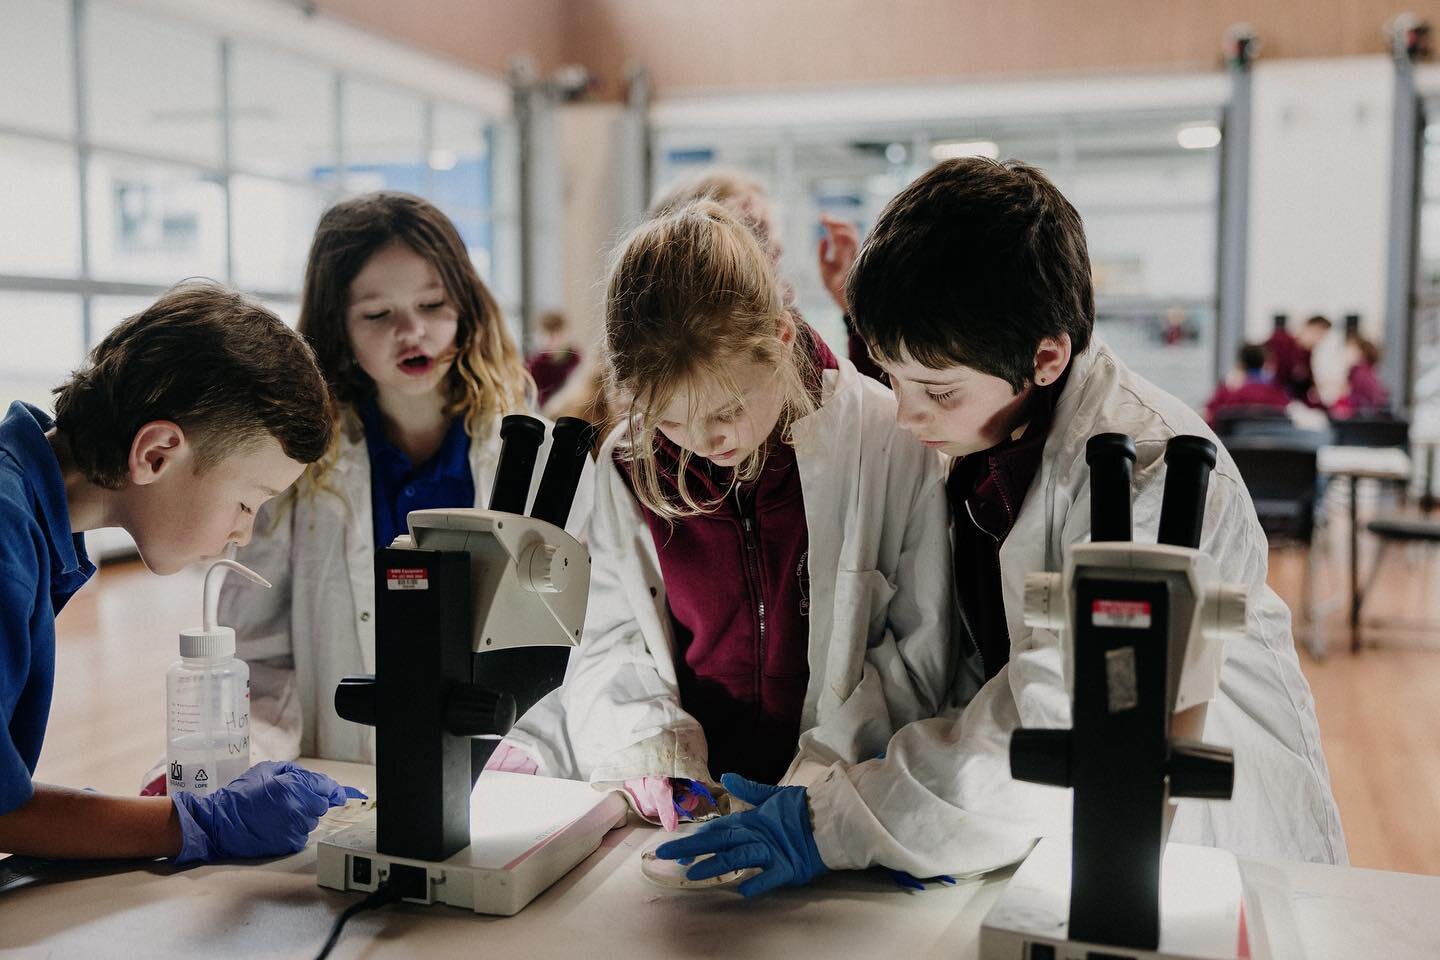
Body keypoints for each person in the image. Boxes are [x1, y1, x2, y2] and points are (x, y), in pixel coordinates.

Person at [658, 158, 1344, 895]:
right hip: (1044, 844)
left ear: (1045, 357)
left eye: (936, 390)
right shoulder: (983, 437)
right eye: (892, 378)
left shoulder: (1150, 473)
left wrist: (837, 821)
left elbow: (1068, 725)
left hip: (1209, 854)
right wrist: (826, 780)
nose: (909, 413)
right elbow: (949, 659)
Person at [499, 200, 952, 830]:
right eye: (673, 419)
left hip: (845, 797)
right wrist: (658, 753)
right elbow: (612, 636)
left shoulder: (883, 437)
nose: (707, 441)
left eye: (728, 409)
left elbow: (916, 645)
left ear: (782, 338)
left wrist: (818, 784)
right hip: (698, 799)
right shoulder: (631, 463)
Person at [216, 192, 591, 766]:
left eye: (433, 303)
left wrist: (524, 747)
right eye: (377, 314)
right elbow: (256, 658)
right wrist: (236, 762)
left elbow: (575, 646)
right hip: (348, 771)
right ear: (337, 330)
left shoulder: (538, 460)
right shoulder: (291, 472)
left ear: (466, 306)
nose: (412, 331)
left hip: (506, 773)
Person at [0, 282, 356, 864]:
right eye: (248, 502)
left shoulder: (28, 518)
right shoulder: (5, 541)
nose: (244, 534)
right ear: (157, 454)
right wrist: (199, 824)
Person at [1202, 343, 1292, 426]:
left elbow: (1209, 417)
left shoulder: (1227, 393)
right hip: (1273, 442)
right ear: (1264, 363)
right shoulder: (1277, 393)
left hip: (1230, 443)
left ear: (1240, 364)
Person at [526, 309, 581, 407]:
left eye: (558, 334)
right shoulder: (534, 364)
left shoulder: (576, 360)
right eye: (549, 335)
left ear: (566, 333)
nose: (555, 340)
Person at [1331, 335, 1391, 419]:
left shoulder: (1359, 372)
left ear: (1360, 353)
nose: (1345, 353)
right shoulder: (1365, 371)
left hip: (1360, 419)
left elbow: (1358, 400)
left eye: (1349, 349)